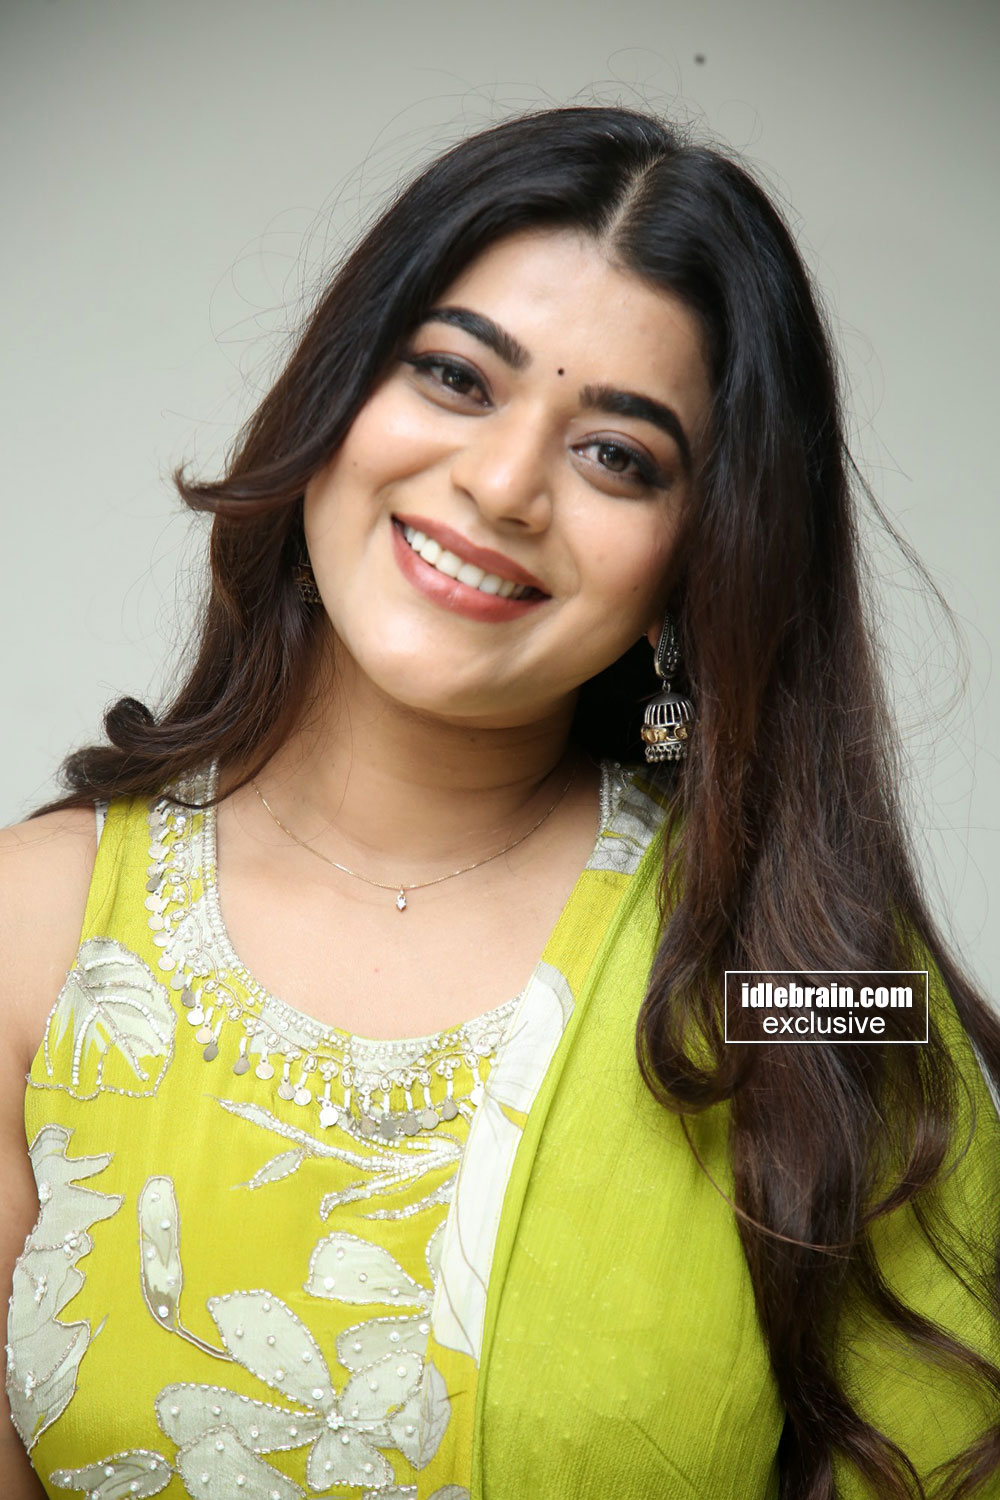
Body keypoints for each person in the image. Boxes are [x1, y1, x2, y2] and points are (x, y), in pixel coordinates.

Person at [2, 104, 999, 1500]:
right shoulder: (31, 933)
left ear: (698, 557)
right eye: (458, 377)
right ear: (337, 397)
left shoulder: (805, 977)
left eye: (619, 456)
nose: (504, 484)